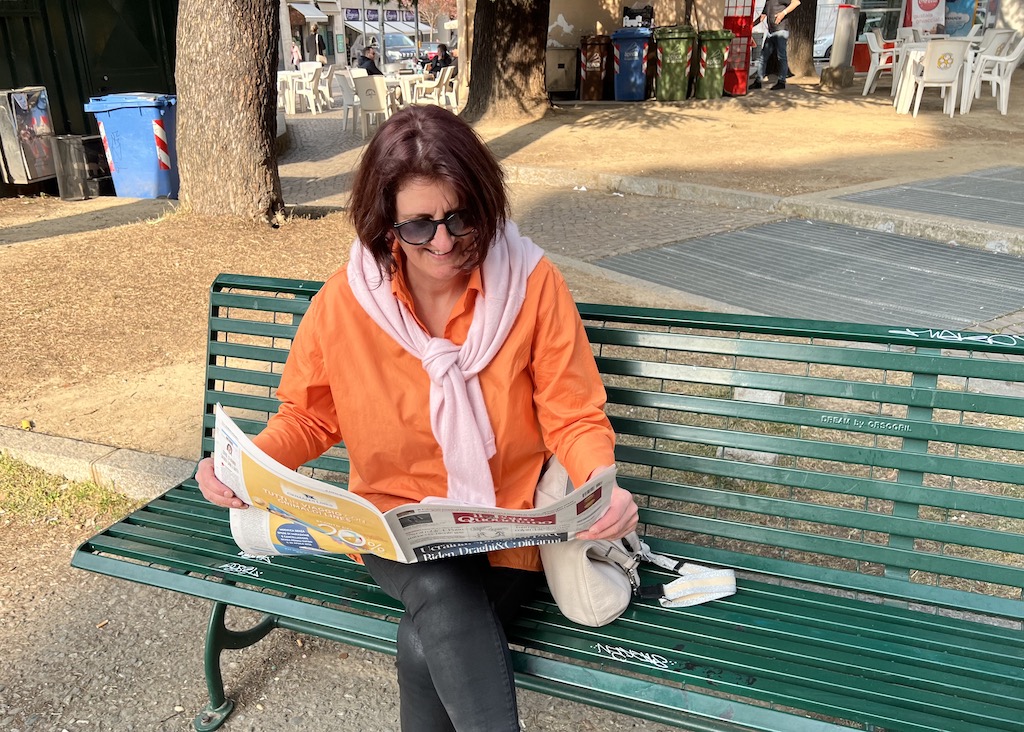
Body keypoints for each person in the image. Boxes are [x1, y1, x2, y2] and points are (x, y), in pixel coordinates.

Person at [196, 104, 638, 732]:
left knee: (422, 638)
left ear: (486, 203)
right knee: (437, 588)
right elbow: (311, 419)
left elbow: (573, 417)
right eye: (419, 225)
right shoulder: (346, 303)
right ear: (384, 224)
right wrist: (245, 466)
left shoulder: (532, 286)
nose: (445, 242)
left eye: (461, 218)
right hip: (392, 526)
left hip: (504, 529)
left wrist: (602, 487)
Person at [750, 0, 801, 90]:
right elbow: (762, 17)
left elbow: (796, 2)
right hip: (771, 32)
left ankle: (781, 82)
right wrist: (750, 26)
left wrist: (783, 13)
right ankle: (758, 81)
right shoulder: (768, 1)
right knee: (763, 57)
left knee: (781, 56)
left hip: (781, 30)